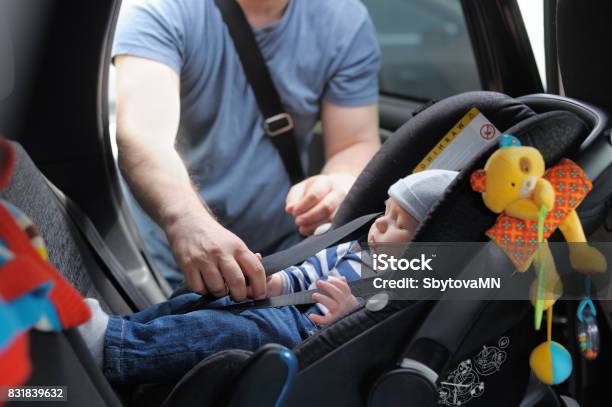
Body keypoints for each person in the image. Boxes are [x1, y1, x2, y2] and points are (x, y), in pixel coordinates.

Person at [79, 170, 458, 384]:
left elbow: (370, 330)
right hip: (283, 306)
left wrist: (346, 312)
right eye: (385, 212)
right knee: (201, 302)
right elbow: (310, 273)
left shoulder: (404, 286)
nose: (379, 224)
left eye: (397, 224)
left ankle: (117, 350)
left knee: (228, 332)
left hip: (304, 336)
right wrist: (273, 282)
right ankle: (117, 328)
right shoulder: (355, 250)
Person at [112, 0, 382, 297]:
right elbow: (143, 136)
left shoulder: (343, 19)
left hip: (282, 254)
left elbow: (355, 142)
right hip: (170, 254)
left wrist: (338, 183)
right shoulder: (162, 8)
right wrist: (185, 221)